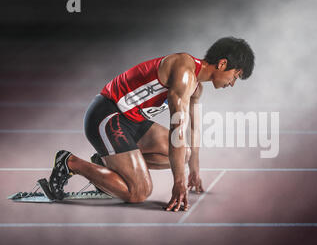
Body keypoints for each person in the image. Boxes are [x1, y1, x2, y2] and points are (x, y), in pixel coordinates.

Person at [47, 37, 255, 211]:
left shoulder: (197, 88)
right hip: (107, 115)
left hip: (133, 120)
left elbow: (193, 129)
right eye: (235, 76)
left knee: (187, 154)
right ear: (222, 64)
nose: (232, 83)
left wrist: (193, 170)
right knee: (139, 192)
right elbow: (178, 131)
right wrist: (179, 182)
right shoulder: (184, 72)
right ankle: (70, 162)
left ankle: (106, 166)